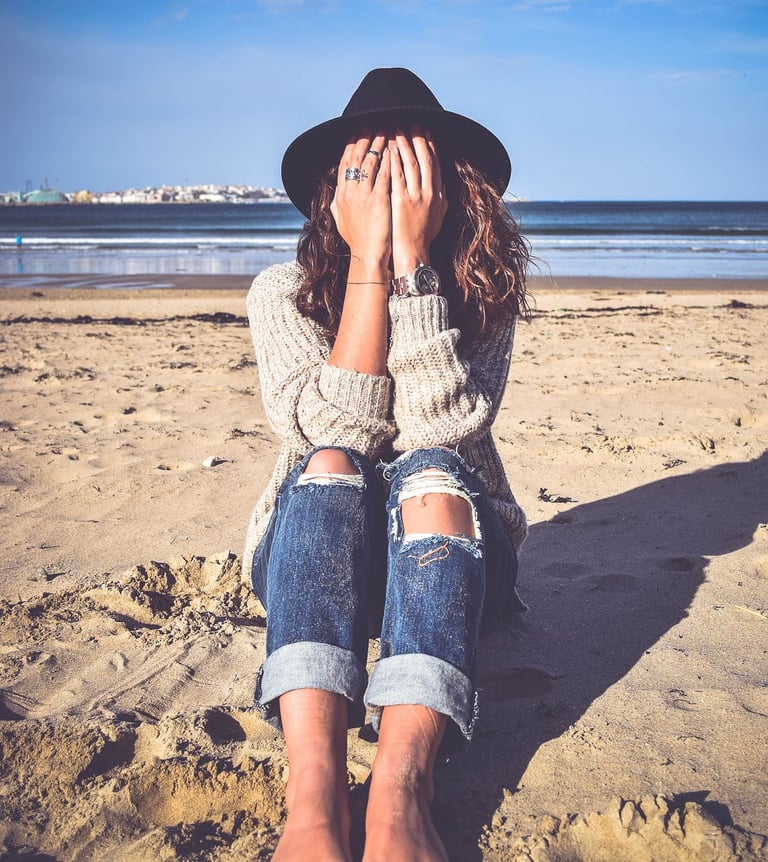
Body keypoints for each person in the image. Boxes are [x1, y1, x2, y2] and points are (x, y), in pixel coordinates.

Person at [243, 67, 531, 861]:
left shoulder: (481, 294)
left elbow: (439, 430)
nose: (390, 188)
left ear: (447, 185)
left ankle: (403, 792)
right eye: (370, 172)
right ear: (335, 191)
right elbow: (335, 433)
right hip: (318, 557)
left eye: (410, 171)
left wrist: (412, 270)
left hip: (457, 557)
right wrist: (369, 257)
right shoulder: (280, 294)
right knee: (333, 458)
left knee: (433, 471)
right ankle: (314, 801)